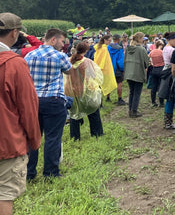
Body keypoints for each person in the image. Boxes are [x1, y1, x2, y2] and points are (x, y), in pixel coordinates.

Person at [0, 13, 40, 214]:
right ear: (14, 33)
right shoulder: (14, 64)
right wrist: (34, 140)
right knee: (5, 194)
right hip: (7, 141)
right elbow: (28, 107)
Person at [25, 28, 73, 180]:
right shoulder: (60, 56)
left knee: (33, 137)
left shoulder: (29, 55)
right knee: (53, 137)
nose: (63, 45)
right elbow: (69, 71)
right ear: (53, 40)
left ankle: (29, 172)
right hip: (54, 100)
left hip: (33, 101)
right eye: (61, 41)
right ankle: (50, 172)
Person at [65, 41, 104, 141]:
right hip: (85, 89)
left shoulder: (69, 60)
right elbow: (95, 75)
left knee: (74, 113)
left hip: (71, 90)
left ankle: (75, 137)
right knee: (93, 110)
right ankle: (97, 133)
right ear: (86, 50)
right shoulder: (86, 62)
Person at [124, 32, 150, 118]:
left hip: (128, 73)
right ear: (139, 39)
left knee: (131, 92)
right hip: (138, 73)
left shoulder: (128, 48)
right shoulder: (141, 49)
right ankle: (134, 111)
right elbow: (146, 62)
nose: (144, 39)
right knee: (137, 93)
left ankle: (130, 110)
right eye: (143, 38)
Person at [161, 32, 175, 129]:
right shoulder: (172, 50)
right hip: (170, 75)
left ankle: (167, 121)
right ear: (171, 39)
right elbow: (174, 67)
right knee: (171, 98)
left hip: (165, 71)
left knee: (169, 98)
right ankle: (169, 122)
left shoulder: (165, 48)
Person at [94, 34, 117, 102]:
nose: (110, 42)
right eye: (109, 40)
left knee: (101, 85)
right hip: (104, 70)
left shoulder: (100, 47)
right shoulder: (104, 49)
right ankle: (101, 101)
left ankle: (102, 101)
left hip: (101, 69)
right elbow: (102, 60)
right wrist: (100, 69)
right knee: (104, 84)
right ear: (105, 40)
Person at [108, 34, 126, 105]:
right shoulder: (119, 48)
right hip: (117, 68)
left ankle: (108, 98)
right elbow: (120, 61)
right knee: (119, 83)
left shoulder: (108, 47)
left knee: (109, 83)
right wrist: (123, 69)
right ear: (119, 39)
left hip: (109, 67)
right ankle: (119, 98)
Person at [148, 40, 165, 107]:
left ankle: (153, 101)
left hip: (154, 69)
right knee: (161, 86)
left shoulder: (152, 52)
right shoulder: (162, 52)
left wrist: (152, 63)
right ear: (160, 45)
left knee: (154, 86)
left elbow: (149, 59)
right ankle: (161, 102)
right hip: (161, 69)